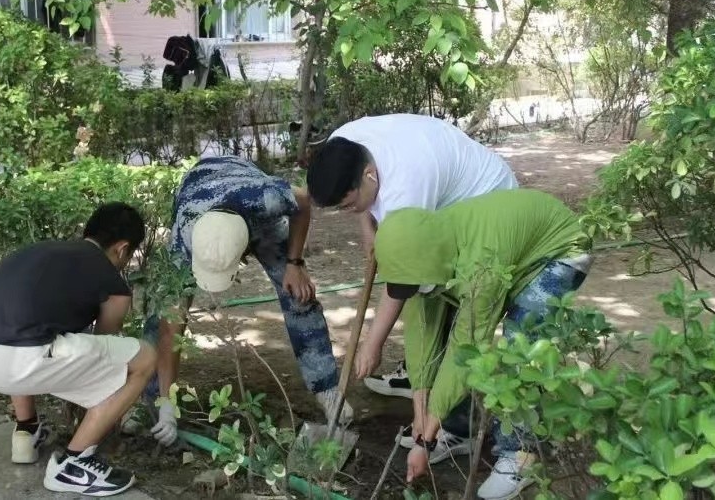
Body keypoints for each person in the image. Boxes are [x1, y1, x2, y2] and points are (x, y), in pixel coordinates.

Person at [305, 114, 516, 458]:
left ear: (369, 176)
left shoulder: (407, 191)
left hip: (485, 202)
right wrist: (366, 226)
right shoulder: (343, 145)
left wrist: (372, 345)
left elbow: (403, 283)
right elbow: (362, 199)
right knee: (427, 307)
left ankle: (454, 427)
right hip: (442, 195)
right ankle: (417, 381)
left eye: (348, 204)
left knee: (452, 316)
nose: (348, 210)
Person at [374, 188, 594, 500]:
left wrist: (425, 437)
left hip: (559, 251)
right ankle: (459, 430)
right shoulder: (420, 255)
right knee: (443, 324)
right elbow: (421, 335)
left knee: (521, 345)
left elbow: (468, 346)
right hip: (513, 251)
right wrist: (421, 414)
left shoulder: (480, 271)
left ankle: (521, 454)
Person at [135, 155, 352, 447]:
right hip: (201, 196)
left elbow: (302, 201)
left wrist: (295, 263)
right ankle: (151, 400)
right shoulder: (186, 236)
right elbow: (170, 328)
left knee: (299, 294)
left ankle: (327, 388)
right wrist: (167, 403)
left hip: (251, 211)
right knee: (164, 316)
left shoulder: (264, 200)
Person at [0, 203, 155, 497]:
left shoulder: (38, 251)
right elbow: (108, 350)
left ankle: (26, 432)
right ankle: (75, 463)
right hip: (14, 361)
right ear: (122, 248)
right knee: (144, 358)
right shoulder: (113, 283)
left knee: (30, 328)